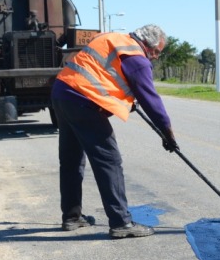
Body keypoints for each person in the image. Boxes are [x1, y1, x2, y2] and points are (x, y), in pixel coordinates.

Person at [50, 24, 178, 239]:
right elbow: (152, 101)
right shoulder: (137, 58)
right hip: (83, 101)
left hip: (62, 93)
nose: (155, 57)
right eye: (156, 52)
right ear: (147, 45)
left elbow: (103, 73)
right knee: (109, 161)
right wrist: (167, 133)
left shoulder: (114, 38)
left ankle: (72, 217)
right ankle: (121, 223)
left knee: (71, 160)